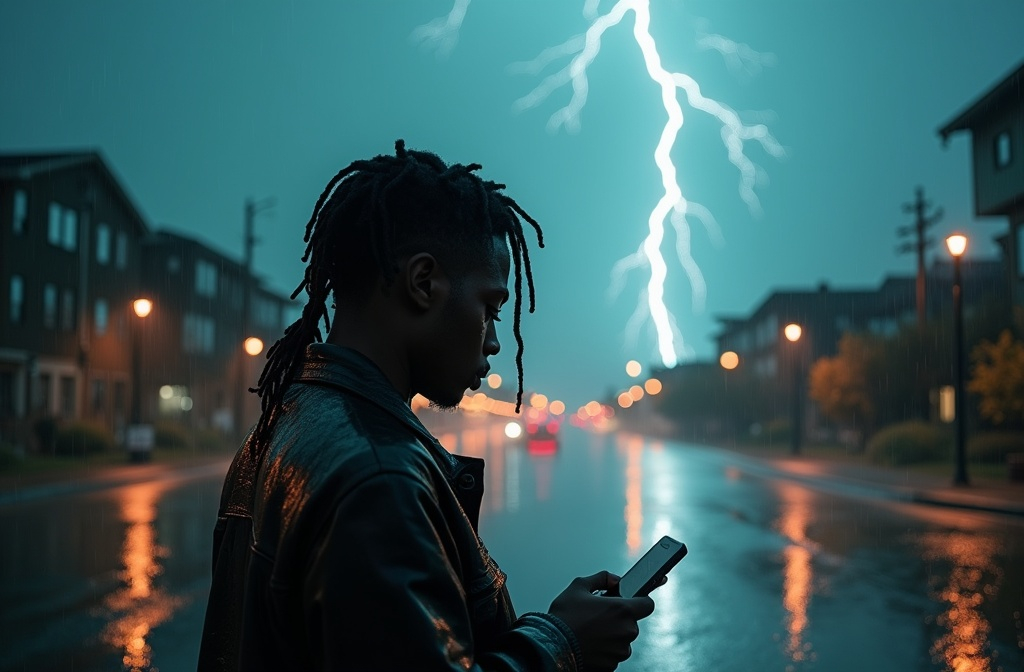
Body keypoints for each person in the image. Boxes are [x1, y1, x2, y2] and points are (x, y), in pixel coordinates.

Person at [198, 140, 658, 671]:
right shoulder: (378, 477)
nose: (493, 341)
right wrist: (562, 645)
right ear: (423, 284)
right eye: (489, 306)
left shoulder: (286, 422)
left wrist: (551, 632)